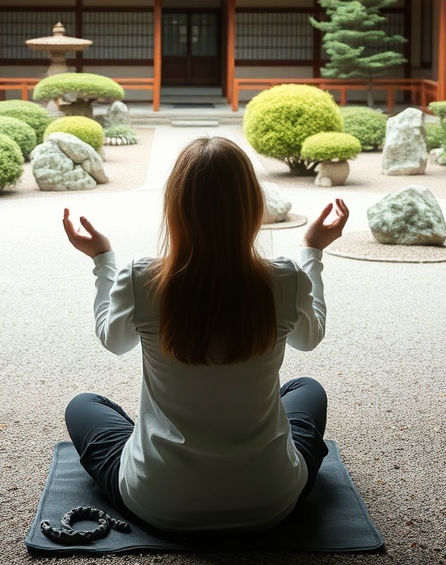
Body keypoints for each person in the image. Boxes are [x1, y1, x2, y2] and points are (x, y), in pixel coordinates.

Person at [62, 135, 349, 532]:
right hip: (271, 500)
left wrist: (102, 261)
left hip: (159, 501)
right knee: (308, 390)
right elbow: (309, 338)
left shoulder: (141, 277)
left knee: (83, 405)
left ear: (175, 208)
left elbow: (113, 342)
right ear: (251, 207)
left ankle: (153, 451)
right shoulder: (284, 277)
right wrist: (312, 252)